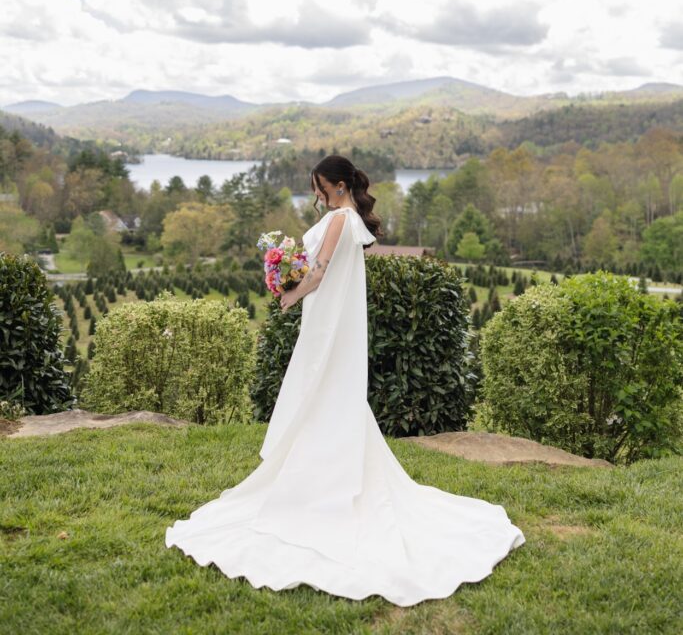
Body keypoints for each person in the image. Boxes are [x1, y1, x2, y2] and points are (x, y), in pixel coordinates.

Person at [165, 154, 525, 606]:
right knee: (326, 396)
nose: (315, 193)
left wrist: (291, 295)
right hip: (330, 320)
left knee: (321, 391)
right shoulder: (348, 218)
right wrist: (288, 273)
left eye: (318, 186)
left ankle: (320, 488)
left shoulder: (339, 219)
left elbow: (319, 272)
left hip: (326, 323)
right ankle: (318, 474)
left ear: (336, 186)